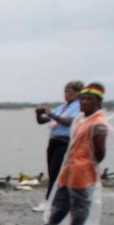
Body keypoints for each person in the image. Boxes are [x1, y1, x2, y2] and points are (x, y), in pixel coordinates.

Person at [25, 83, 109, 225]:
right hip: (70, 163)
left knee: (80, 203)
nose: (84, 102)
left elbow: (100, 152)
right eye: (83, 98)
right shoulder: (81, 118)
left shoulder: (98, 123)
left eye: (89, 99)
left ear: (98, 103)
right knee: (61, 199)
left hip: (83, 167)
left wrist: (88, 166)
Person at [33, 80, 85, 211]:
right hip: (54, 140)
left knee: (57, 171)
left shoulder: (79, 107)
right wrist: (39, 113)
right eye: (65, 91)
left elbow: (68, 122)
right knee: (52, 170)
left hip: (66, 141)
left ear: (78, 93)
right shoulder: (62, 107)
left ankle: (51, 202)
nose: (66, 94)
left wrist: (51, 114)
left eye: (69, 92)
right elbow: (43, 121)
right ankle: (55, 199)